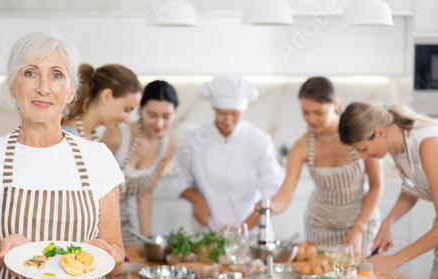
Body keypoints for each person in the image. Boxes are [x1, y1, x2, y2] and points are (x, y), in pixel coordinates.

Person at [0, 31, 125, 279]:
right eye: (30, 73)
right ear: (12, 85)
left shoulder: (98, 158)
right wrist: (1, 251)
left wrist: (105, 252)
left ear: (71, 90)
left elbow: (118, 255)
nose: (43, 88)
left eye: (57, 75)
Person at [269, 77, 383, 255]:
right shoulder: (302, 146)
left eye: (318, 113)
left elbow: (377, 185)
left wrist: (358, 228)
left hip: (360, 222)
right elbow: (285, 193)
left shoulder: (359, 133)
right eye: (305, 113)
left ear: (335, 104)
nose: (311, 119)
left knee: (360, 278)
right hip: (320, 227)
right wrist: (270, 207)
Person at [339, 102, 438, 279]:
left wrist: (395, 259)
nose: (362, 157)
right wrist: (389, 221)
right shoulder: (396, 143)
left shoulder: (427, 144)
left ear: (379, 133)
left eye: (363, 148)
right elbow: (413, 188)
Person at [174, 75, 284, 236]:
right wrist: (197, 200)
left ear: (244, 111)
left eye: (235, 114)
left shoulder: (259, 140)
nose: (228, 120)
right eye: (221, 113)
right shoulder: (194, 141)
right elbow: (180, 178)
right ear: (213, 110)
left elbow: (271, 189)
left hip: (252, 234)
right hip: (210, 231)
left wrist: (242, 229)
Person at [101, 80, 179, 248]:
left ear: (175, 112)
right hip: (96, 222)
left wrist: (148, 240)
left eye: (166, 117)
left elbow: (146, 192)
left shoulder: (169, 145)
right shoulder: (117, 137)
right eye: (152, 115)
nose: (159, 124)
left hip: (125, 223)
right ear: (141, 110)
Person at [61, 63, 142, 139]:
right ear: (106, 96)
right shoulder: (68, 136)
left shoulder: (90, 136)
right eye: (126, 110)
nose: (127, 120)